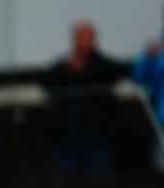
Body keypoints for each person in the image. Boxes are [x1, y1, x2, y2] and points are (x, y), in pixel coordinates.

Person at [41, 20, 129, 174]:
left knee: (98, 184)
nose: (84, 43)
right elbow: (45, 82)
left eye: (88, 38)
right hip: (67, 141)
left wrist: (86, 70)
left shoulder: (102, 65)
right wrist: (68, 71)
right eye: (80, 38)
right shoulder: (64, 67)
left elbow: (115, 73)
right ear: (74, 40)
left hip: (97, 140)